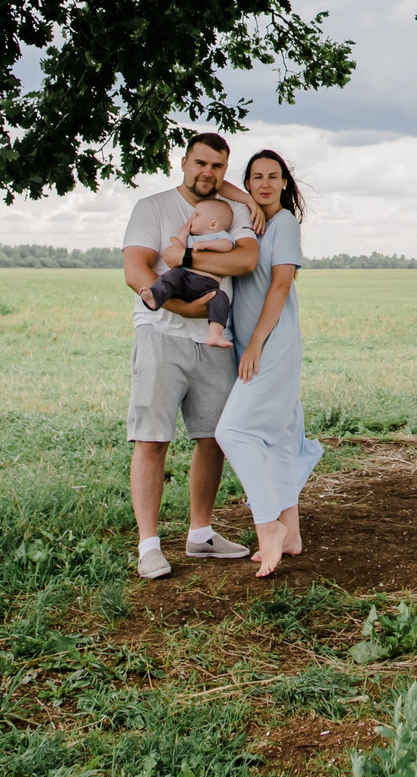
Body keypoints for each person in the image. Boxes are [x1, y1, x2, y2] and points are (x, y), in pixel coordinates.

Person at [121, 134, 259, 578]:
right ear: (183, 162)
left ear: (224, 170)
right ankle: (149, 546)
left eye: (217, 166)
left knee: (213, 437)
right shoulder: (154, 208)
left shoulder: (234, 211)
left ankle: (201, 534)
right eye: (201, 163)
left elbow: (244, 262)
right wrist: (178, 302)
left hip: (214, 338)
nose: (208, 172)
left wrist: (186, 256)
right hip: (161, 334)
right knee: (152, 437)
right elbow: (137, 268)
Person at [212, 148, 324, 578]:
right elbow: (220, 183)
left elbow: (280, 287)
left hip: (272, 343)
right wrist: (242, 198)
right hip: (252, 343)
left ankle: (268, 528)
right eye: (255, 177)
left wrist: (256, 341)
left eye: (272, 176)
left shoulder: (284, 224)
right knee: (276, 438)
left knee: (233, 432)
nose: (263, 183)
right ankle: (291, 532)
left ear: (284, 183)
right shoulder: (248, 220)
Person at [146, 197, 240, 348]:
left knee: (221, 299)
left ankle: (214, 334)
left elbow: (227, 246)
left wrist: (206, 245)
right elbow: (179, 249)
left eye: (196, 215)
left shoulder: (220, 236)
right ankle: (155, 296)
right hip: (186, 279)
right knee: (172, 275)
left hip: (209, 287)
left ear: (213, 224)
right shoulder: (192, 238)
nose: (191, 218)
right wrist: (183, 234)